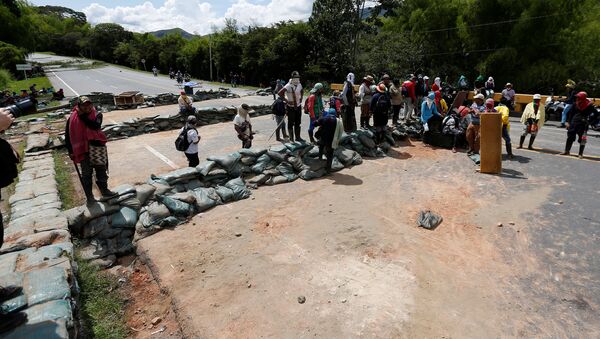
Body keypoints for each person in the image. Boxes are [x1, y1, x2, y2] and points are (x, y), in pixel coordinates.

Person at [64, 96, 117, 204]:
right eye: (84, 105)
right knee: (86, 174)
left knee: (101, 170)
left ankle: (105, 190)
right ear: (79, 106)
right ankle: (89, 197)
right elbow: (68, 135)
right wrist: (70, 151)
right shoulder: (72, 118)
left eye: (89, 104)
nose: (87, 107)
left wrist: (82, 116)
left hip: (97, 148)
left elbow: (95, 126)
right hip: (83, 150)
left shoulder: (97, 115)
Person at [560, 91, 594, 158]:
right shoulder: (575, 104)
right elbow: (571, 114)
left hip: (583, 125)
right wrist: (568, 122)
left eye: (579, 97)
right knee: (570, 137)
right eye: (577, 97)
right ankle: (567, 151)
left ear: (583, 98)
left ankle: (580, 154)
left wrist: (589, 121)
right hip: (573, 123)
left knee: (582, 139)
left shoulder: (589, 105)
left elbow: (596, 114)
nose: (577, 98)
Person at [314, 108, 342, 174]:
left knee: (321, 148)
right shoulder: (338, 121)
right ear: (335, 113)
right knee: (330, 155)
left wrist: (318, 119)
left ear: (328, 113)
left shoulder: (324, 118)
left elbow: (314, 124)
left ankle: (319, 161)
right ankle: (328, 170)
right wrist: (337, 140)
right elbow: (340, 132)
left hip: (323, 138)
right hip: (331, 140)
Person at [278, 71, 304, 142]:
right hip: (291, 107)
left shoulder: (299, 84)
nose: (297, 79)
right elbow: (280, 93)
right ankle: (291, 138)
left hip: (298, 106)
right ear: (292, 78)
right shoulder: (288, 85)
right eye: (295, 78)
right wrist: (286, 100)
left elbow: (302, 90)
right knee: (291, 123)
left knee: (298, 123)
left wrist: (301, 98)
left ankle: (298, 137)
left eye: (298, 77)